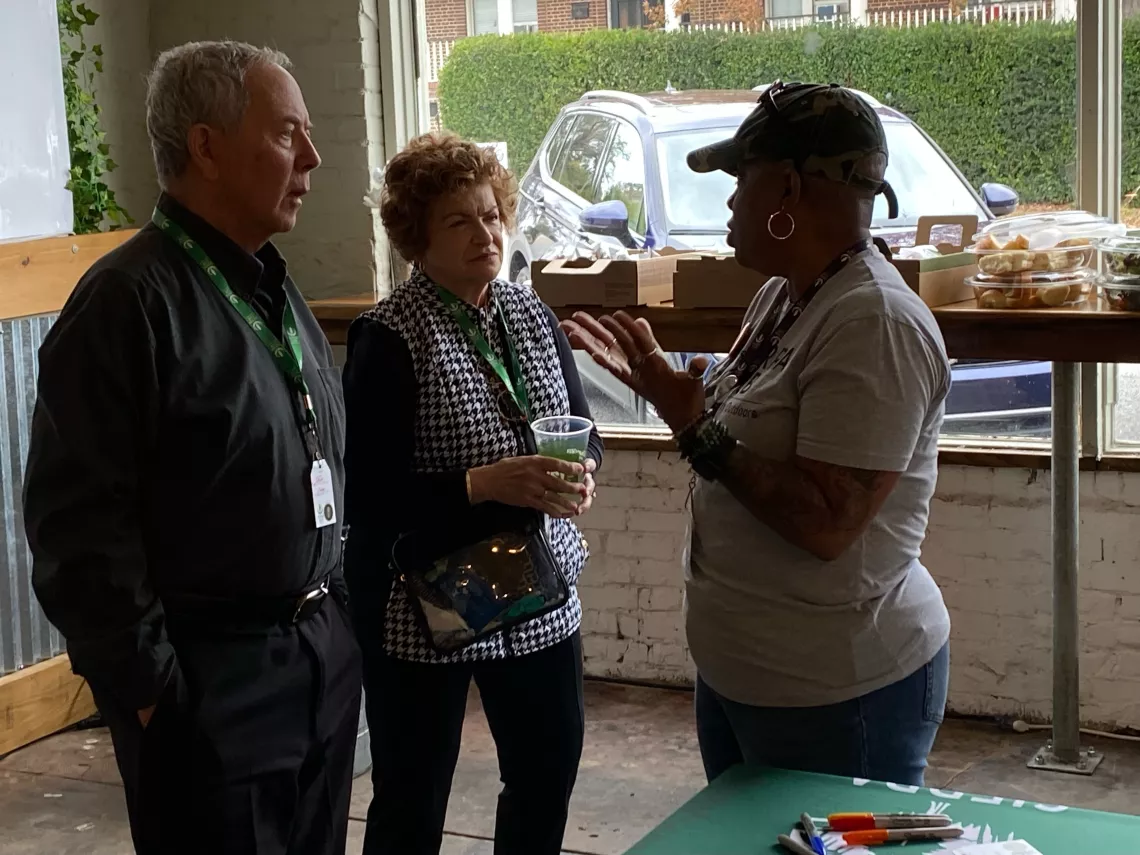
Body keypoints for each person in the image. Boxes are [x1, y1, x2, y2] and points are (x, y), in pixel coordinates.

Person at [23, 41, 361, 855]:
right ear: (205, 147)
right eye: (286, 134)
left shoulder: (272, 288)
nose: (312, 159)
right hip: (213, 685)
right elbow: (77, 530)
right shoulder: (125, 303)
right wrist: (154, 693)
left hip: (315, 659)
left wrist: (338, 624)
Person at [563, 82, 951, 787]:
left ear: (789, 189)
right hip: (750, 675)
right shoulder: (786, 294)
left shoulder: (874, 322)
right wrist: (675, 393)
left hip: (837, 694)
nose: (732, 202)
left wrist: (693, 426)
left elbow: (829, 523)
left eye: (741, 179)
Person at [342, 132, 603, 855]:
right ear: (416, 237)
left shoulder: (532, 314)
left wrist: (581, 474)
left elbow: (587, 433)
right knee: (413, 796)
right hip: (427, 597)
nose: (485, 234)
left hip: (536, 583)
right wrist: (484, 483)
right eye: (459, 221)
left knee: (547, 770)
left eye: (491, 215)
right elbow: (369, 494)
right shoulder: (389, 336)